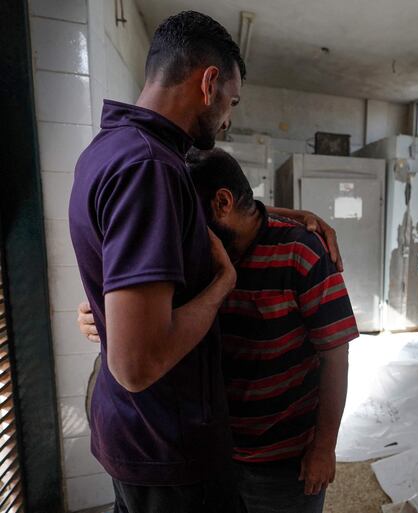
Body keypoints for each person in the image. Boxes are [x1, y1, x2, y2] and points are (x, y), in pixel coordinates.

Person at [69, 11, 339, 513]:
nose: (228, 118)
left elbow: (195, 210)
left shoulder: (114, 149)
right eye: (231, 102)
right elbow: (136, 364)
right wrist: (222, 285)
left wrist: (281, 214)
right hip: (163, 442)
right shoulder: (150, 168)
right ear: (209, 82)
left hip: (137, 435)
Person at [80, 148, 357, 513]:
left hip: (281, 459)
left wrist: (324, 448)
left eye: (185, 216)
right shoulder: (194, 256)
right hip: (211, 452)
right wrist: (101, 317)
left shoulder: (302, 252)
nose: (176, 230)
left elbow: (335, 356)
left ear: (223, 202)